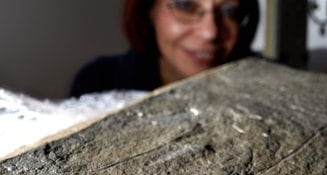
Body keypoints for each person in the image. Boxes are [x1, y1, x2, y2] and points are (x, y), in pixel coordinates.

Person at [70, 0, 259, 97]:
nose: (210, 32)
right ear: (150, 10)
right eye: (186, 5)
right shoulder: (100, 83)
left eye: (229, 11)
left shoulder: (268, 86)